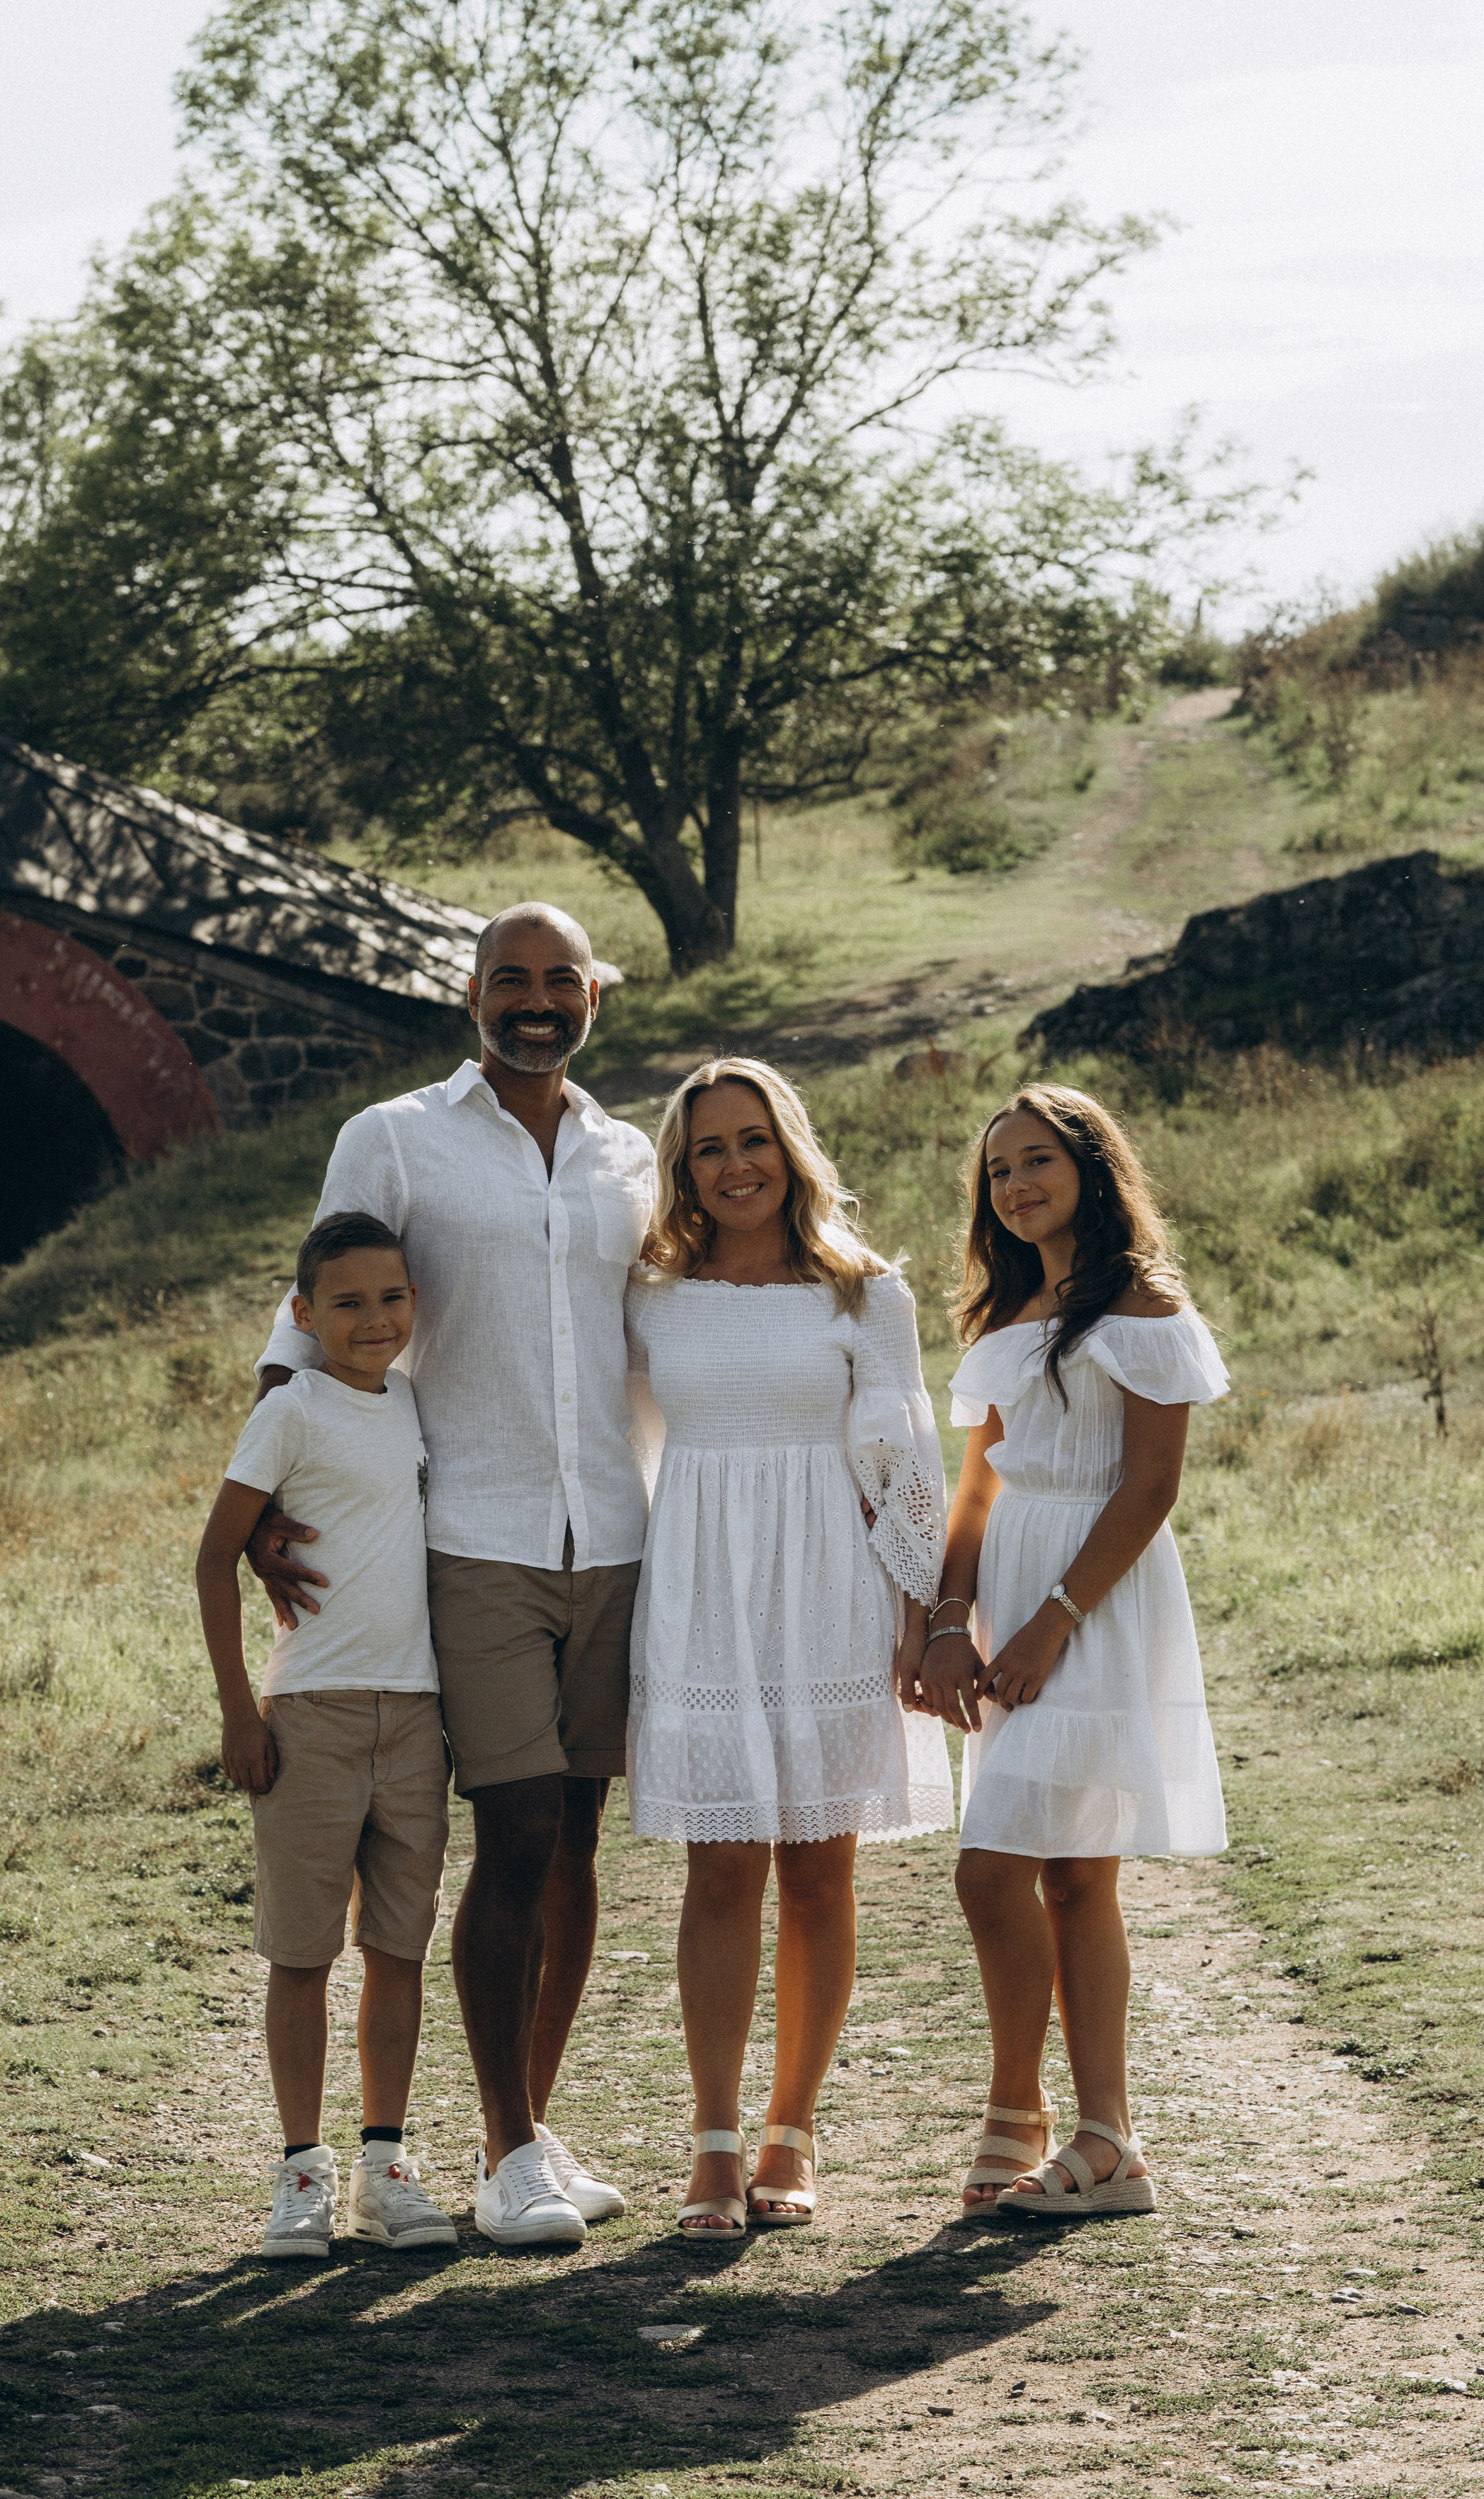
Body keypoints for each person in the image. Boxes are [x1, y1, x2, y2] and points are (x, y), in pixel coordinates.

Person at [246, 904, 656, 2248]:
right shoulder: (394, 1136)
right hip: (468, 1535)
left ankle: (518, 2134)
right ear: (470, 993)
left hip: (613, 1532)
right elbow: (305, 1311)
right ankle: (510, 2147)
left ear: (593, 993)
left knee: (578, 1839)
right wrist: (264, 1505)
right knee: (519, 1826)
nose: (534, 1003)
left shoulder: (627, 1156)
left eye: (558, 982)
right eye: (509, 982)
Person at [625, 1059, 952, 2239]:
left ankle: (790, 2130)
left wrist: (924, 1621)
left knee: (819, 1869)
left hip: (831, 1588)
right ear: (683, 1170)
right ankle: (714, 2142)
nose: (736, 1164)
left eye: (753, 1138)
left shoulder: (865, 1295)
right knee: (721, 1865)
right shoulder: (650, 1297)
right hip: (703, 1589)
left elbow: (909, 1466)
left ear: (791, 1146)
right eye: (709, 1147)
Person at [901, 1083, 1228, 2219]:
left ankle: (1024, 2112)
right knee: (1072, 1875)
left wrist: (1052, 1619)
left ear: (1091, 1166)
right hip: (1007, 1594)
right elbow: (979, 1486)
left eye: (1037, 1160)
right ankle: (1106, 2144)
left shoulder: (1140, 1306)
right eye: (998, 1171)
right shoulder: (1005, 1315)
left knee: (997, 1868)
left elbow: (1150, 1489)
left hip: (1093, 1596)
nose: (1016, 1185)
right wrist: (952, 1619)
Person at [194, 1210, 457, 2259]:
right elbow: (217, 1557)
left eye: (392, 1298)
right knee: (301, 1954)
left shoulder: (414, 1408)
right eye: (346, 1303)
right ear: (303, 1316)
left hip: (419, 1711)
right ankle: (298, 2175)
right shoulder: (292, 1411)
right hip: (310, 1711)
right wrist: (238, 1711)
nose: (374, 1319)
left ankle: (381, 2171)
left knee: (398, 1946)